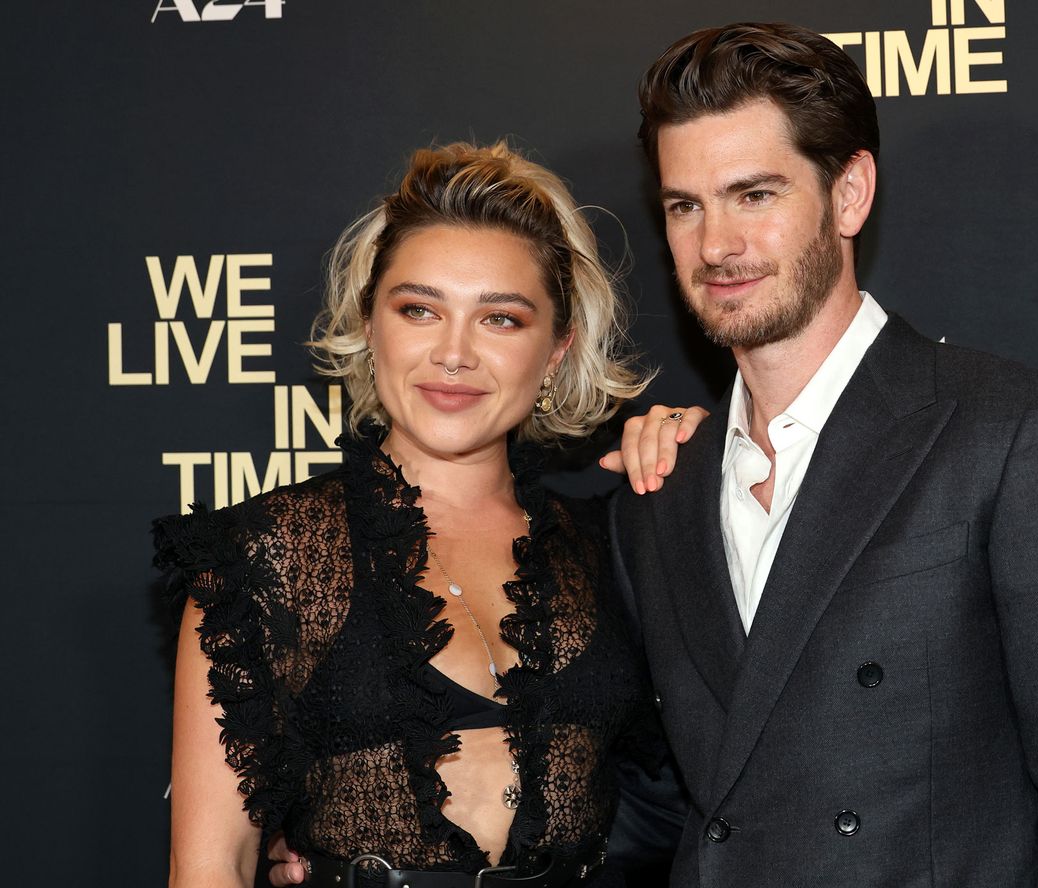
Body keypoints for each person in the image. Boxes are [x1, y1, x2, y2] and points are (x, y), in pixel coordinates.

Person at [605, 21, 1038, 887]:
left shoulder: (1022, 435)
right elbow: (656, 801)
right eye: (685, 206)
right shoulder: (661, 484)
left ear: (849, 195)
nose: (716, 245)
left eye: (754, 195)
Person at [156, 141, 682, 888]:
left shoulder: (612, 545)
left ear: (558, 348)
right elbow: (210, 867)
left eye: (500, 319)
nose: (454, 353)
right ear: (370, 323)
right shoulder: (267, 555)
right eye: (419, 309)